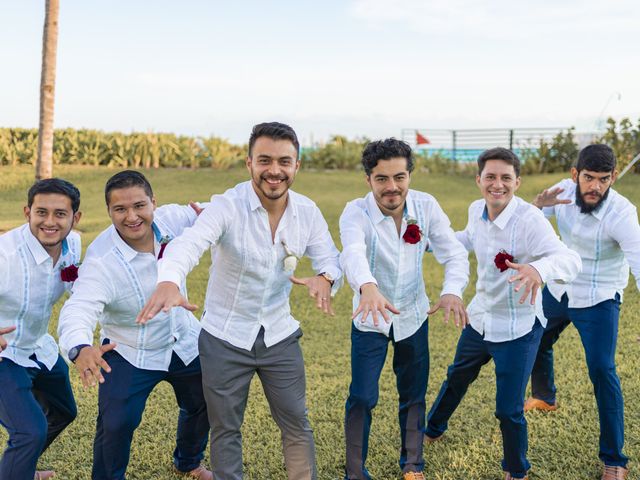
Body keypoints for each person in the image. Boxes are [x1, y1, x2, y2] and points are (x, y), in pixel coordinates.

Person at [137, 122, 342, 480]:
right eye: (264, 160)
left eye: (284, 161)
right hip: (224, 337)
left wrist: (326, 278)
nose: (274, 170)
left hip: (280, 335)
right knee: (226, 429)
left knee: (296, 423)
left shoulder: (307, 212)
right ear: (249, 163)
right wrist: (169, 280)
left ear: (296, 166)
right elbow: (191, 242)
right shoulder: (227, 206)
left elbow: (330, 258)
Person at [424, 148, 582, 480]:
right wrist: (429, 242)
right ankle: (432, 428)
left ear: (517, 182)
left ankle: (516, 470)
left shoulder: (530, 220)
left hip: (519, 327)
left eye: (505, 178)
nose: (498, 185)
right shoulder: (474, 209)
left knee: (508, 410)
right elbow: (467, 238)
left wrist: (539, 270)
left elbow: (569, 259)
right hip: (480, 318)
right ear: (478, 180)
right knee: (457, 377)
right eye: (491, 177)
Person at [57, 171, 212, 480]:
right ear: (109, 211)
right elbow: (79, 307)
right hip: (129, 350)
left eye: (139, 205)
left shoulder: (173, 219)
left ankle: (188, 461)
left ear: (153, 202)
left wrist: (214, 214)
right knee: (117, 423)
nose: (132, 216)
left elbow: (220, 212)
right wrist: (80, 347)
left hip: (183, 339)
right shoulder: (101, 260)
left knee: (205, 401)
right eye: (120, 209)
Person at [339, 138, 470, 480]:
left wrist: (453, 291)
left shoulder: (426, 207)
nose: (392, 187)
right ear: (368, 179)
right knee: (363, 396)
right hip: (370, 317)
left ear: (410, 175)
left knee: (413, 395)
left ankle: (413, 465)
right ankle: (355, 472)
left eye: (399, 177)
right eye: (382, 178)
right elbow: (351, 252)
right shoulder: (355, 211)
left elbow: (454, 253)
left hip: (414, 316)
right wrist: (367, 286)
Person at [525, 144, 638, 480]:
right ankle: (545, 396)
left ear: (614, 177)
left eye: (604, 180)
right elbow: (530, 224)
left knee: (602, 369)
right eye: (589, 178)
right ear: (575, 175)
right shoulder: (560, 192)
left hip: (600, 294)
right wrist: (537, 206)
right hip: (561, 286)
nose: (595, 187)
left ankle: (614, 460)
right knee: (536, 338)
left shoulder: (622, 213)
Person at [0, 178, 82, 480]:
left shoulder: (73, 243)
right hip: (4, 354)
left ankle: (18, 468)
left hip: (38, 346)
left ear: (75, 218)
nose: (49, 222)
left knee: (64, 411)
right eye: (41, 212)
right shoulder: (5, 255)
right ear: (27, 212)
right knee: (29, 432)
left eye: (60, 214)